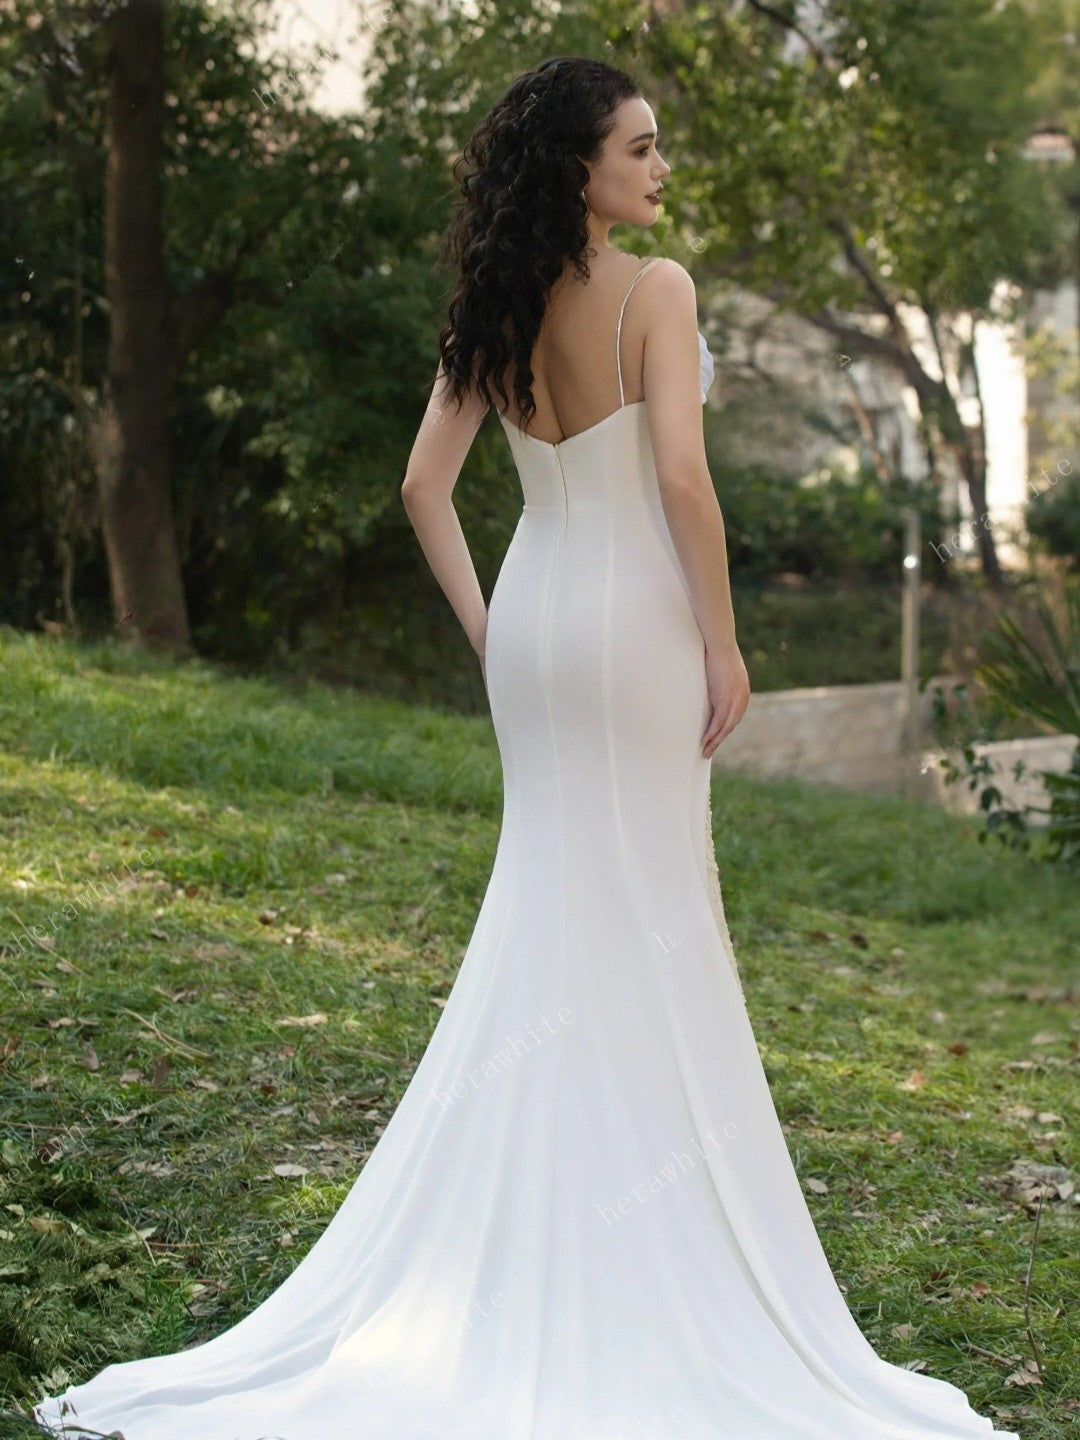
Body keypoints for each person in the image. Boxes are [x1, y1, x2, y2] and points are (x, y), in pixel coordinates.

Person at [32, 54, 1018, 1440]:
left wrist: (496, 629)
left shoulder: (497, 300)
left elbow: (423, 486)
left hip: (543, 618)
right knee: (656, 916)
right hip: (634, 626)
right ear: (581, 166)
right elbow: (681, 480)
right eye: (641, 146)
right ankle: (640, 1225)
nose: (661, 168)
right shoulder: (658, 291)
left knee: (557, 902)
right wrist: (728, 645)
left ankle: (540, 1198)